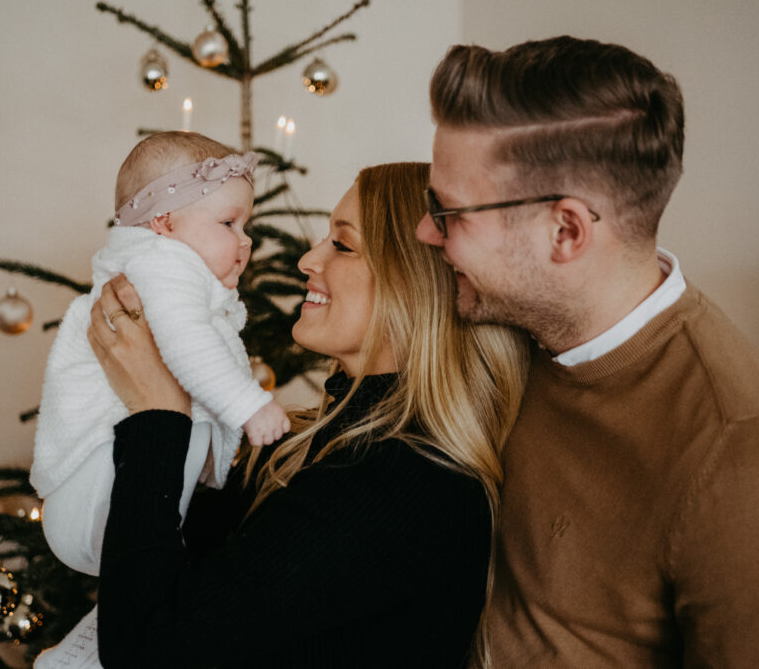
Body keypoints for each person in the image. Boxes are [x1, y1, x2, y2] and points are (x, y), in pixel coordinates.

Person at [416, 36, 759, 666]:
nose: (424, 231)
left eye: (447, 211)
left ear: (565, 231)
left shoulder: (753, 459)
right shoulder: (514, 336)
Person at [83, 162, 529, 668]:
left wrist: (157, 416)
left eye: (342, 245)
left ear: (414, 285)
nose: (307, 261)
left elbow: (143, 649)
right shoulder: (312, 443)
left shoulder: (403, 483)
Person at [30, 132, 290, 663]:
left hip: (109, 504)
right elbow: (186, 344)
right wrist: (250, 405)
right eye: (228, 224)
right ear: (164, 222)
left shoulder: (173, 269)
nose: (245, 242)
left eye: (246, 226)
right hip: (95, 491)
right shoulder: (162, 265)